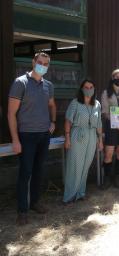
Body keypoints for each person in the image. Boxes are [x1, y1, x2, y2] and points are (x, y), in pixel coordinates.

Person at [8, 52, 56, 225]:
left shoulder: (48, 85)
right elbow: (11, 113)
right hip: (26, 136)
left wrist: (53, 122)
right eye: (40, 62)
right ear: (33, 62)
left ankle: (35, 202)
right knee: (25, 173)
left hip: (44, 135)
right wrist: (15, 139)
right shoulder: (20, 83)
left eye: (46, 63)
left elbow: (52, 105)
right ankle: (22, 210)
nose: (42, 65)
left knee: (38, 171)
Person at [63, 79, 103, 203]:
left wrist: (100, 139)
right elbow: (68, 121)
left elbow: (99, 123)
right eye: (86, 87)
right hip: (77, 135)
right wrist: (67, 138)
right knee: (75, 165)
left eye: (91, 87)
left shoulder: (97, 104)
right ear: (81, 88)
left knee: (86, 165)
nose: (89, 89)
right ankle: (69, 195)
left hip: (92, 135)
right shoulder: (75, 103)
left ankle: (80, 193)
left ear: (94, 89)